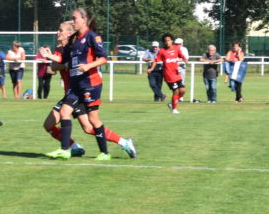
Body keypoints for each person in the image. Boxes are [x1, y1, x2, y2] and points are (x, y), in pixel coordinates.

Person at [40, 20, 136, 159]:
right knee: (86, 127)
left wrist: (62, 63)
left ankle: (70, 148)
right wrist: (57, 61)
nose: (57, 32)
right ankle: (77, 147)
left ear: (70, 33)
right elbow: (52, 69)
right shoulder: (59, 49)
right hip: (71, 92)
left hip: (79, 90)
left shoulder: (77, 47)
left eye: (60, 30)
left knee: (76, 121)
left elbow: (69, 64)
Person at [149, 33, 188, 113]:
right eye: (165, 41)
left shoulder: (176, 48)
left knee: (183, 91)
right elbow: (156, 60)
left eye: (168, 40)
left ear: (172, 40)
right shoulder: (162, 51)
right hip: (168, 75)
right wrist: (151, 68)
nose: (167, 42)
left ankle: (171, 103)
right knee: (176, 91)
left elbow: (181, 55)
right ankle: (174, 109)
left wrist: (185, 59)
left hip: (177, 74)